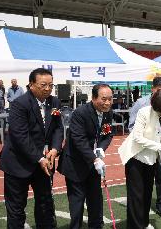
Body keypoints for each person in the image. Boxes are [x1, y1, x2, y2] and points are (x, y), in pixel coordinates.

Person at [0, 68, 64, 228]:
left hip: (42, 164)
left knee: (45, 205)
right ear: (31, 85)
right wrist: (40, 158)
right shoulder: (20, 104)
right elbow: (20, 136)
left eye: (51, 85)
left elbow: (57, 128)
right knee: (16, 209)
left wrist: (55, 149)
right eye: (43, 85)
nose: (48, 88)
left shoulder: (54, 102)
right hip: (17, 162)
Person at [57, 84, 114, 229]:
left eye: (110, 99)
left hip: (93, 164)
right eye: (104, 99)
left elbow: (107, 134)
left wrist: (101, 148)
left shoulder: (108, 112)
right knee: (77, 203)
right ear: (94, 98)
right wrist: (94, 158)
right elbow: (78, 139)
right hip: (75, 164)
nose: (107, 102)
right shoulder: (80, 113)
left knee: (95, 200)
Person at [118, 88, 161, 229]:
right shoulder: (144, 112)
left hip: (152, 158)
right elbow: (138, 138)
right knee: (136, 195)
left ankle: (143, 223)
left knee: (147, 193)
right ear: (159, 104)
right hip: (136, 156)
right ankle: (135, 226)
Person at [127, 76, 161, 218]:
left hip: (158, 151)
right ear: (152, 89)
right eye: (158, 91)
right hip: (140, 151)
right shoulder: (141, 104)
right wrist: (152, 141)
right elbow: (132, 128)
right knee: (141, 187)